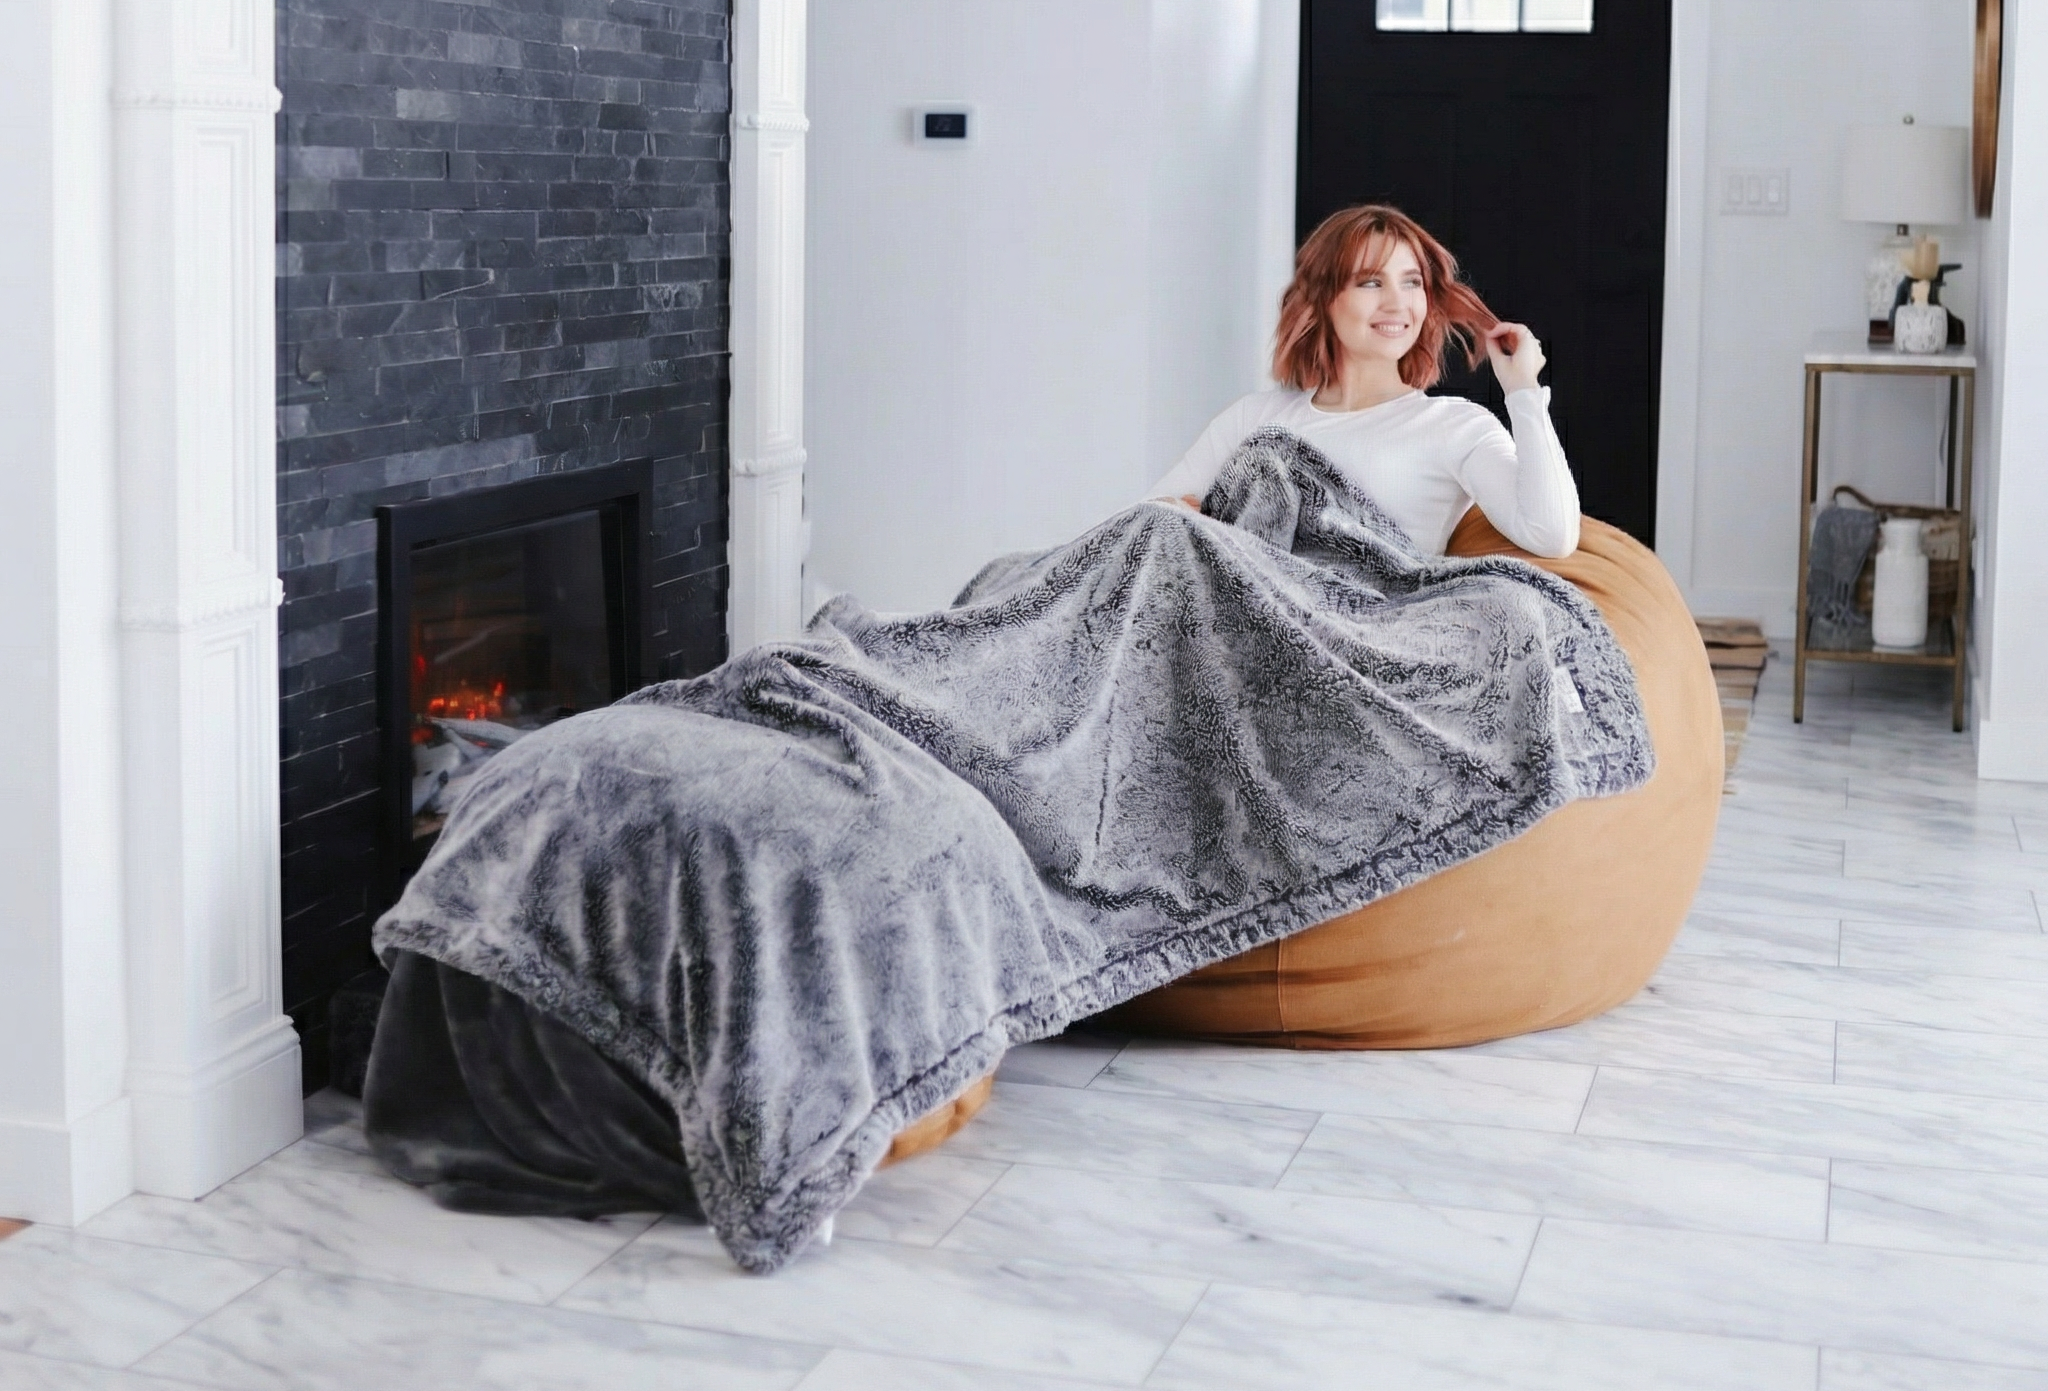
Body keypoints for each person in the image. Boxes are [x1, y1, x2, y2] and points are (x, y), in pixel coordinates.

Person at [1148, 205, 1580, 559]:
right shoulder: (1256, 418)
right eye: (1371, 282)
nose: (1397, 303)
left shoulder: (1455, 426)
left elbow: (1552, 535)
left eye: (1412, 282)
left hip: (1367, 631)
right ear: (1322, 300)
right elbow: (1143, 524)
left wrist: (1523, 391)